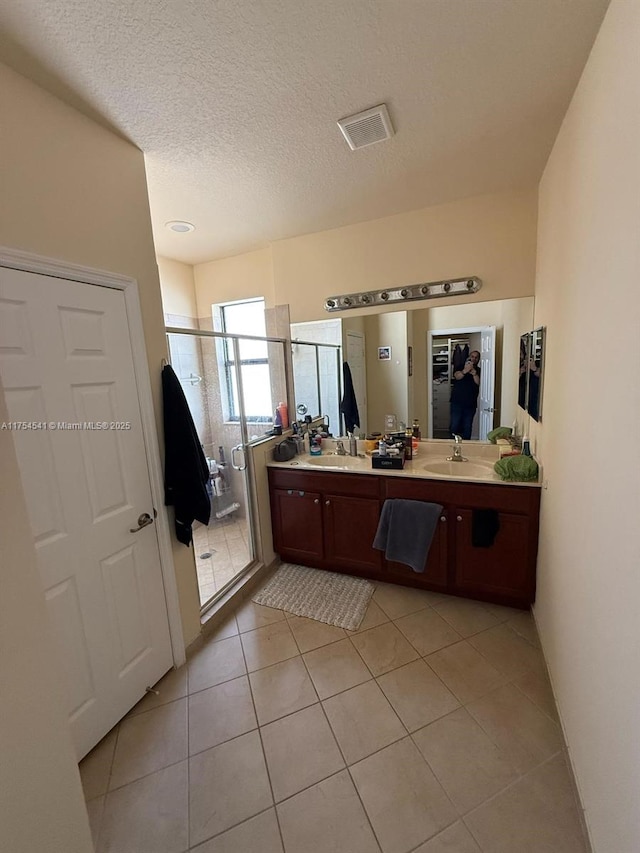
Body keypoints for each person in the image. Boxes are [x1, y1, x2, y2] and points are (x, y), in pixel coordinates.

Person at [450, 350, 480, 439]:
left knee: (467, 426)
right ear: (468, 357)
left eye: (476, 357)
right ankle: (452, 443)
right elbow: (457, 376)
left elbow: (478, 383)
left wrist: (474, 374)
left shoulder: (478, 370)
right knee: (454, 425)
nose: (474, 359)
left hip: (470, 403)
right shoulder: (459, 366)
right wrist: (465, 371)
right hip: (457, 402)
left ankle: (467, 444)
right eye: (472, 356)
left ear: (478, 359)